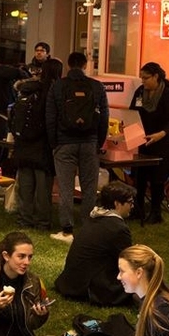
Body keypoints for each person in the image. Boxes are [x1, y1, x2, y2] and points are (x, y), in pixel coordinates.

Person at [46, 52, 109, 244]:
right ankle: (88, 225)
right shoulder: (97, 86)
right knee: (89, 187)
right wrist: (98, 141)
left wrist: (54, 143)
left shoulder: (58, 86)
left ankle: (67, 229)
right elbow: (104, 117)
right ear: (85, 64)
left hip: (64, 143)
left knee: (66, 188)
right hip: (89, 142)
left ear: (68, 64)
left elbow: (50, 117)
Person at [55, 182, 137, 306]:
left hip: (71, 282)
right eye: (130, 202)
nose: (132, 206)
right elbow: (129, 261)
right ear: (117, 203)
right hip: (89, 288)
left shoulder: (94, 218)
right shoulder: (117, 228)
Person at [13, 58, 63, 231]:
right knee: (43, 188)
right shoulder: (53, 92)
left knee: (25, 185)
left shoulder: (25, 90)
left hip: (22, 144)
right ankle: (42, 222)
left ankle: (24, 220)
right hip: (43, 146)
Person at [129, 62, 169, 225]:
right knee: (140, 176)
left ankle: (156, 211)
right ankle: (138, 209)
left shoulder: (167, 94)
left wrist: (160, 134)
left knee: (157, 178)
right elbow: (132, 112)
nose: (142, 81)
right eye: (141, 78)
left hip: (163, 143)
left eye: (146, 78)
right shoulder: (139, 92)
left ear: (156, 77)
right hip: (143, 140)